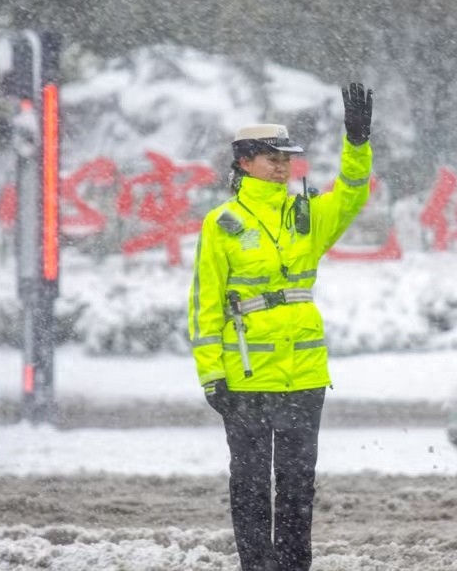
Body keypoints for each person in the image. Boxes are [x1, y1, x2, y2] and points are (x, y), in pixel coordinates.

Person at [187, 82, 374, 571]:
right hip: (246, 378)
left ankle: (294, 566)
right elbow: (205, 306)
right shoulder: (222, 223)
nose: (282, 165)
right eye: (271, 157)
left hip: (304, 377)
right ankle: (257, 565)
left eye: (286, 157)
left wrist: (356, 143)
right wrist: (211, 373)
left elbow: (353, 194)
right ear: (244, 162)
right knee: (249, 485)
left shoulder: (306, 216)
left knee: (296, 485)